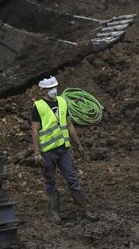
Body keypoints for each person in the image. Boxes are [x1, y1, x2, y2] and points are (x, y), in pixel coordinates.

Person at [31, 76, 97, 222]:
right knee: (50, 181)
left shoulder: (62, 101)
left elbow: (69, 125)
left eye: (54, 87)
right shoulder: (38, 106)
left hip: (63, 149)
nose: (53, 90)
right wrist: (37, 152)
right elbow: (35, 130)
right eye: (49, 88)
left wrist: (78, 144)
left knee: (72, 178)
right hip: (48, 151)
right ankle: (55, 213)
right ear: (43, 90)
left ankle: (83, 211)